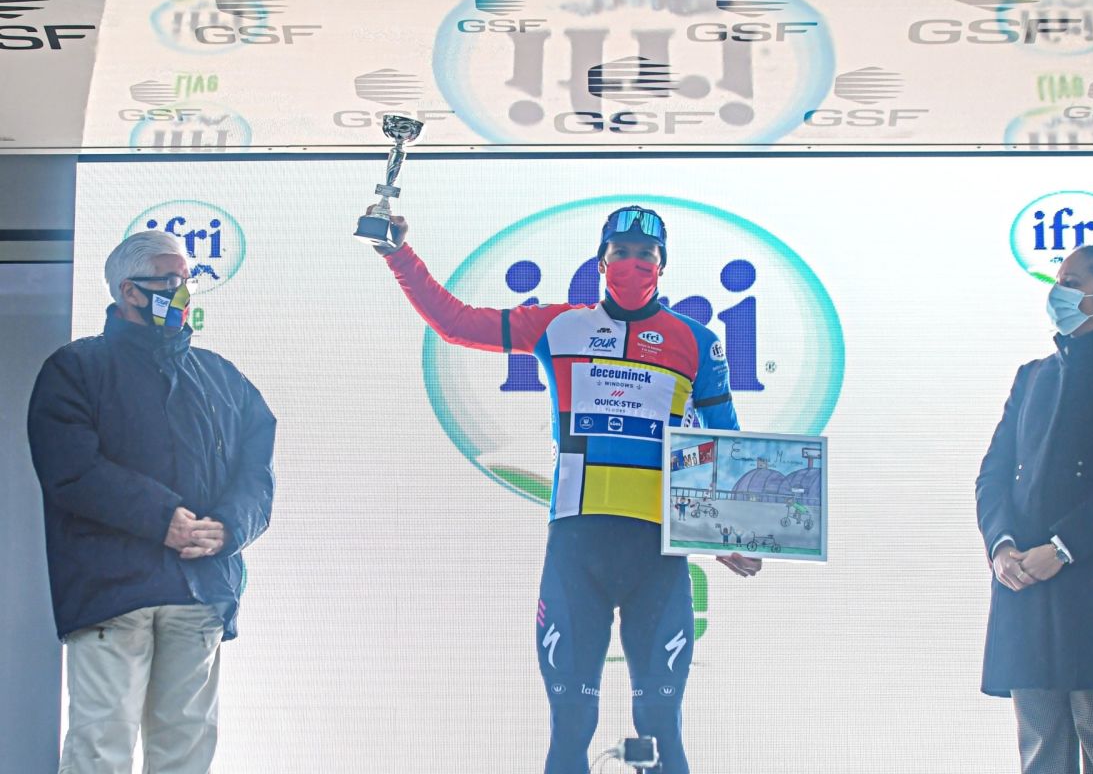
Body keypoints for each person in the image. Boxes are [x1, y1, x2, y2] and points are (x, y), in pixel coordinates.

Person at [368, 205, 761, 773]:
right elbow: (455, 323)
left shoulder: (697, 341)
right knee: (571, 726)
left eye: (645, 254)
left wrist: (732, 530)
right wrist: (397, 254)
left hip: (658, 555)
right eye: (621, 252)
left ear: (662, 265)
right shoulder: (560, 326)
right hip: (578, 552)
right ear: (601, 262)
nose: (632, 263)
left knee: (661, 724)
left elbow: (726, 442)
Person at [27, 230, 277, 774]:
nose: (183, 292)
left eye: (187, 280)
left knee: (186, 748)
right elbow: (71, 470)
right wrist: (162, 518)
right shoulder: (76, 369)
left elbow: (257, 472)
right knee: (100, 743)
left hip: (199, 590)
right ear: (129, 291)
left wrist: (229, 527)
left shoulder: (220, 376)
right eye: (169, 281)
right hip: (111, 592)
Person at [976, 245, 1093, 773]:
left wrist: (1061, 547)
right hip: (1023, 583)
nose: (1057, 292)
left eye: (1071, 282)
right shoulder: (1032, 375)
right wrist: (1003, 547)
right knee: (1040, 743)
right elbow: (993, 474)